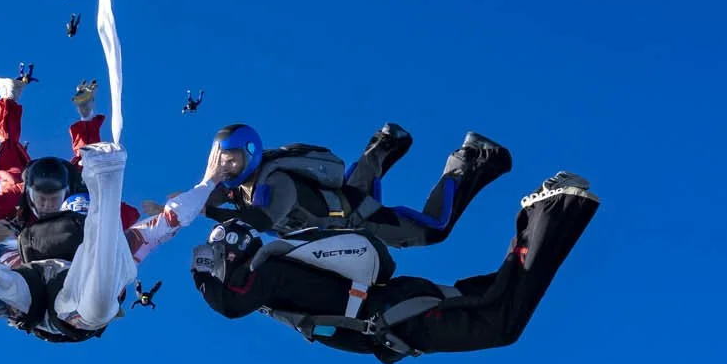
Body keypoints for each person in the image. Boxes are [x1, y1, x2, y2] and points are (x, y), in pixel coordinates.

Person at [191, 173, 598, 364]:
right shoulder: (271, 273)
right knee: (492, 299)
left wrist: (200, 267)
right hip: (397, 315)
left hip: (396, 313)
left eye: (221, 252)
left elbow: (230, 302)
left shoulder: (268, 270)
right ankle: (549, 210)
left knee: (500, 321)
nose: (222, 262)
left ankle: (549, 208)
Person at [0, 78, 223, 343]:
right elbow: (170, 220)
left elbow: (169, 220)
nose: (48, 206)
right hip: (31, 286)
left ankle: (105, 185)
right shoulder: (22, 209)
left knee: (97, 291)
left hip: (68, 298)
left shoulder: (87, 221)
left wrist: (209, 182)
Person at [204, 120, 513, 248]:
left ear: (250, 153)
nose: (228, 166)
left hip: (357, 216)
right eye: (223, 160)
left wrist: (209, 214)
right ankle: (385, 142)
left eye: (233, 160)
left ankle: (470, 156)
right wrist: (176, 209)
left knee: (433, 230)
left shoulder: (276, 182)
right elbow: (208, 197)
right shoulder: (237, 189)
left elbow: (261, 219)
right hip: (339, 211)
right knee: (353, 191)